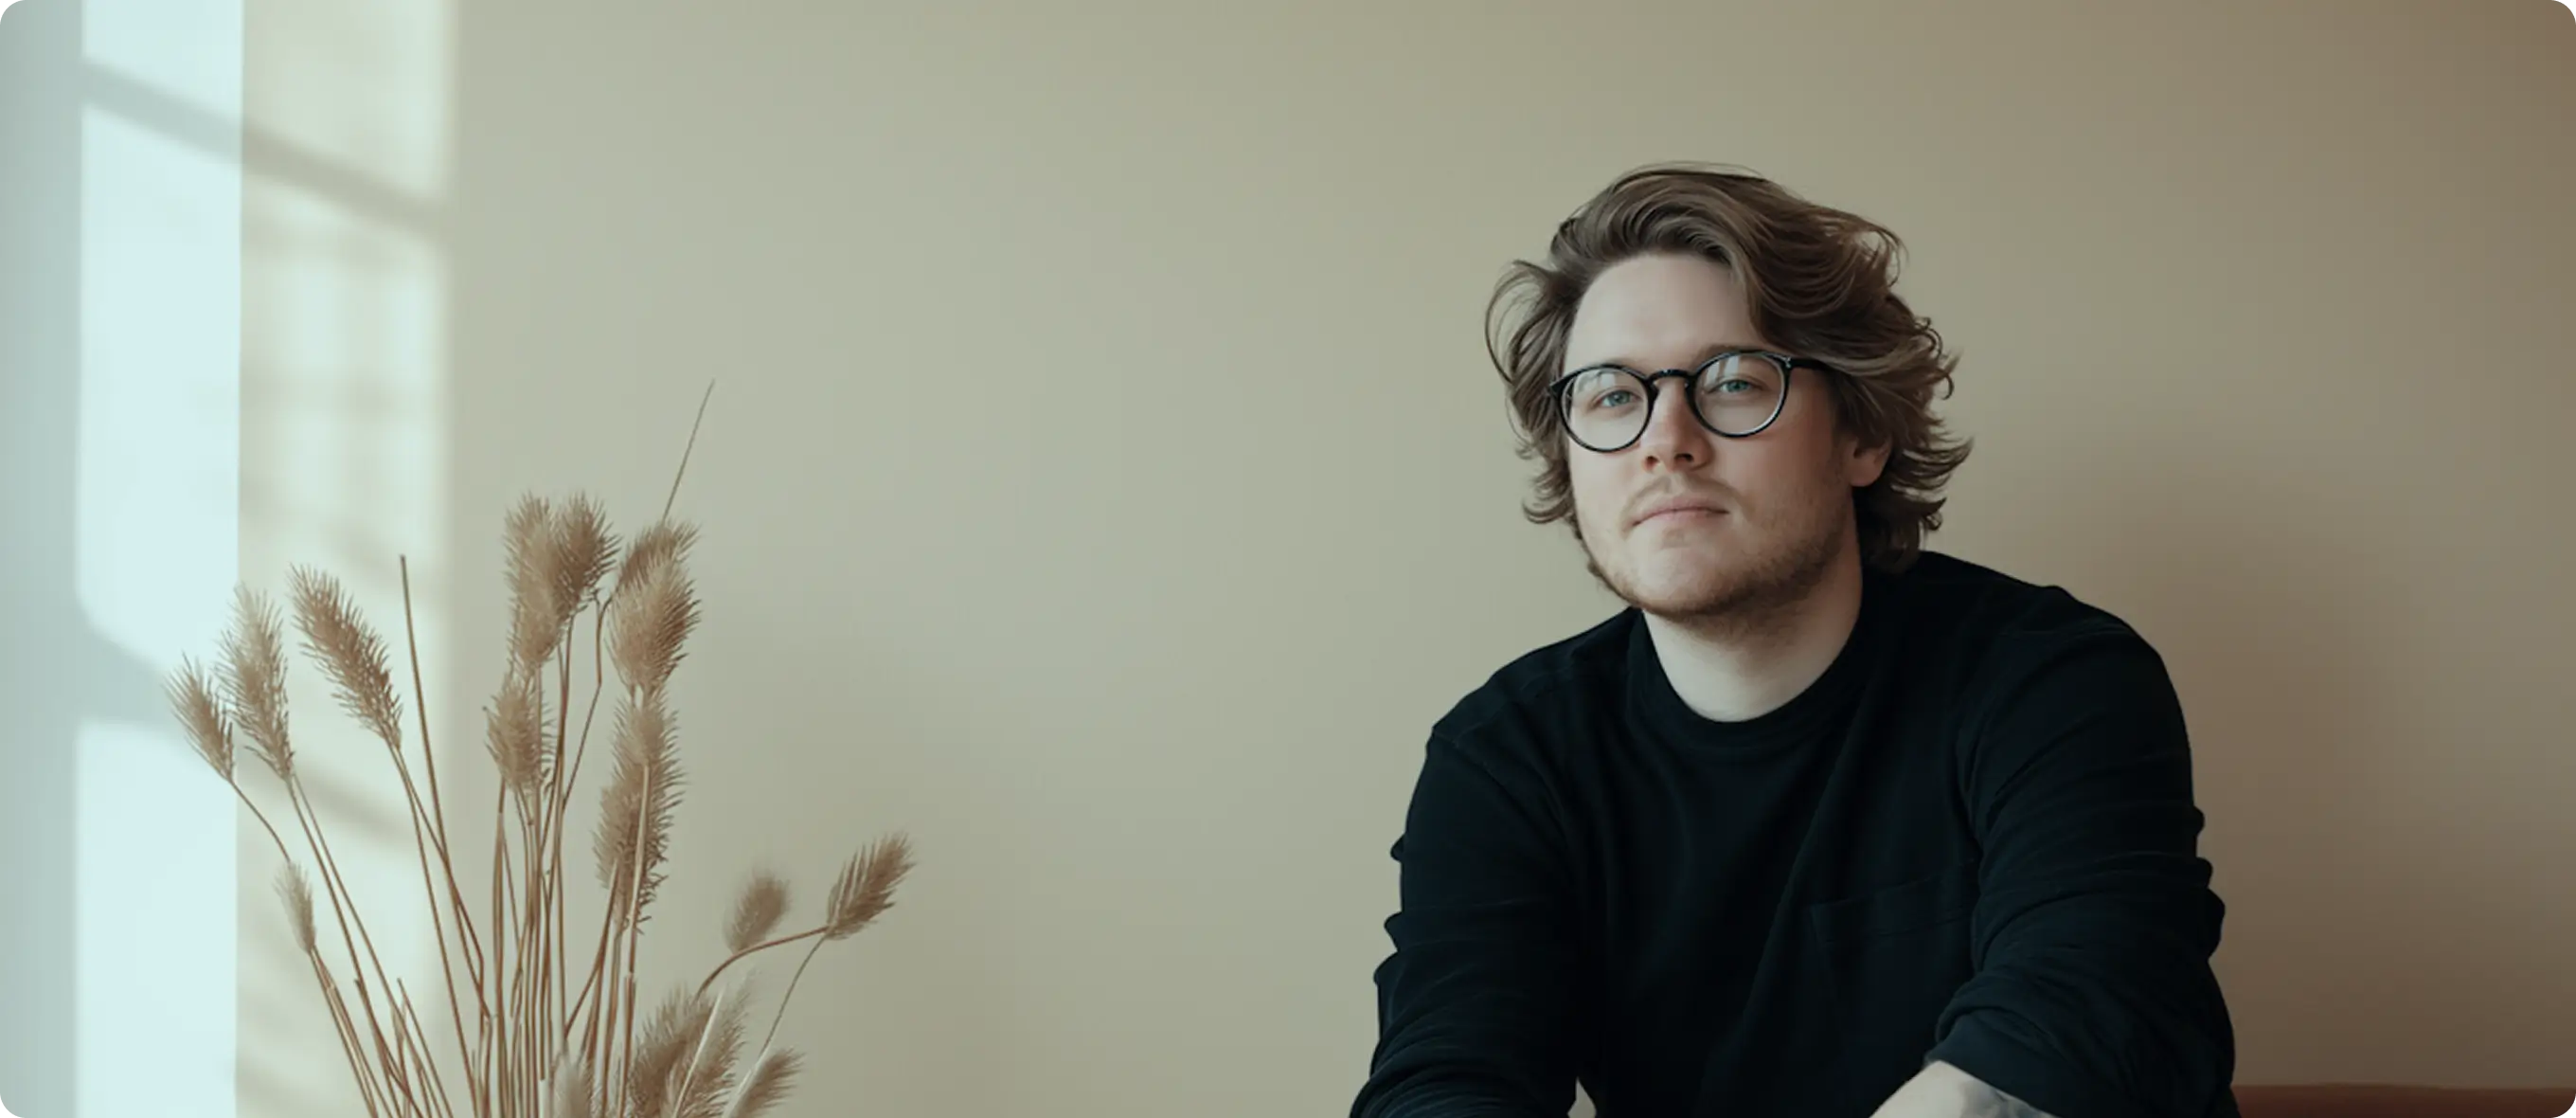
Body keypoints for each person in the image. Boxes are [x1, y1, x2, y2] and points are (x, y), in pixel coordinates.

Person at [1349, 165, 2238, 1118]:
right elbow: (1445, 1070)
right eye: (1610, 396)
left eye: (1732, 381)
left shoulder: (2048, 681)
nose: (1664, 437)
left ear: (1859, 437)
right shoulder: (1507, 759)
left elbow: (2087, 1011)